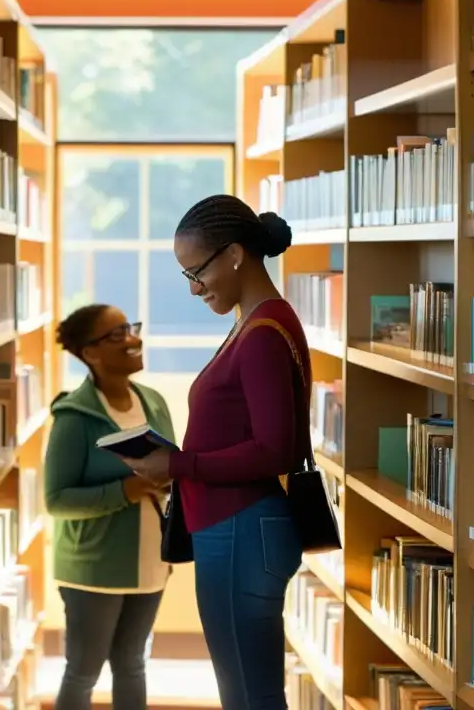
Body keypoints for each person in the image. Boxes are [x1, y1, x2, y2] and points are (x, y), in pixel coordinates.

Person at [122, 194, 311, 710]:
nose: (193, 288)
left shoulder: (262, 333)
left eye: (197, 271)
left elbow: (274, 449)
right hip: (233, 529)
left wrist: (177, 464)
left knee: (250, 694)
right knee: (243, 691)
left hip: (242, 530)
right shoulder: (253, 323)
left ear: (233, 255)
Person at [44, 304, 175, 710]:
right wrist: (127, 490)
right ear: (90, 353)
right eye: (116, 335)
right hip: (93, 567)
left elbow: (169, 471)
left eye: (130, 329)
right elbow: (56, 501)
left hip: (151, 561)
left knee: (133, 665)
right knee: (83, 671)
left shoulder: (153, 402)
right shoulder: (74, 417)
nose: (133, 339)